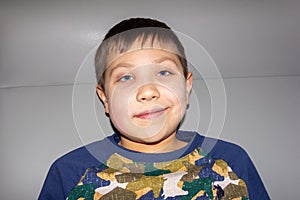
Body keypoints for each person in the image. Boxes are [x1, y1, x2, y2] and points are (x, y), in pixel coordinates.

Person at [39, 17, 270, 200]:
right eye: (126, 77)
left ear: (187, 86)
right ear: (105, 99)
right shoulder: (69, 173)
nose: (147, 91)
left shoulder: (230, 161)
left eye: (163, 73)